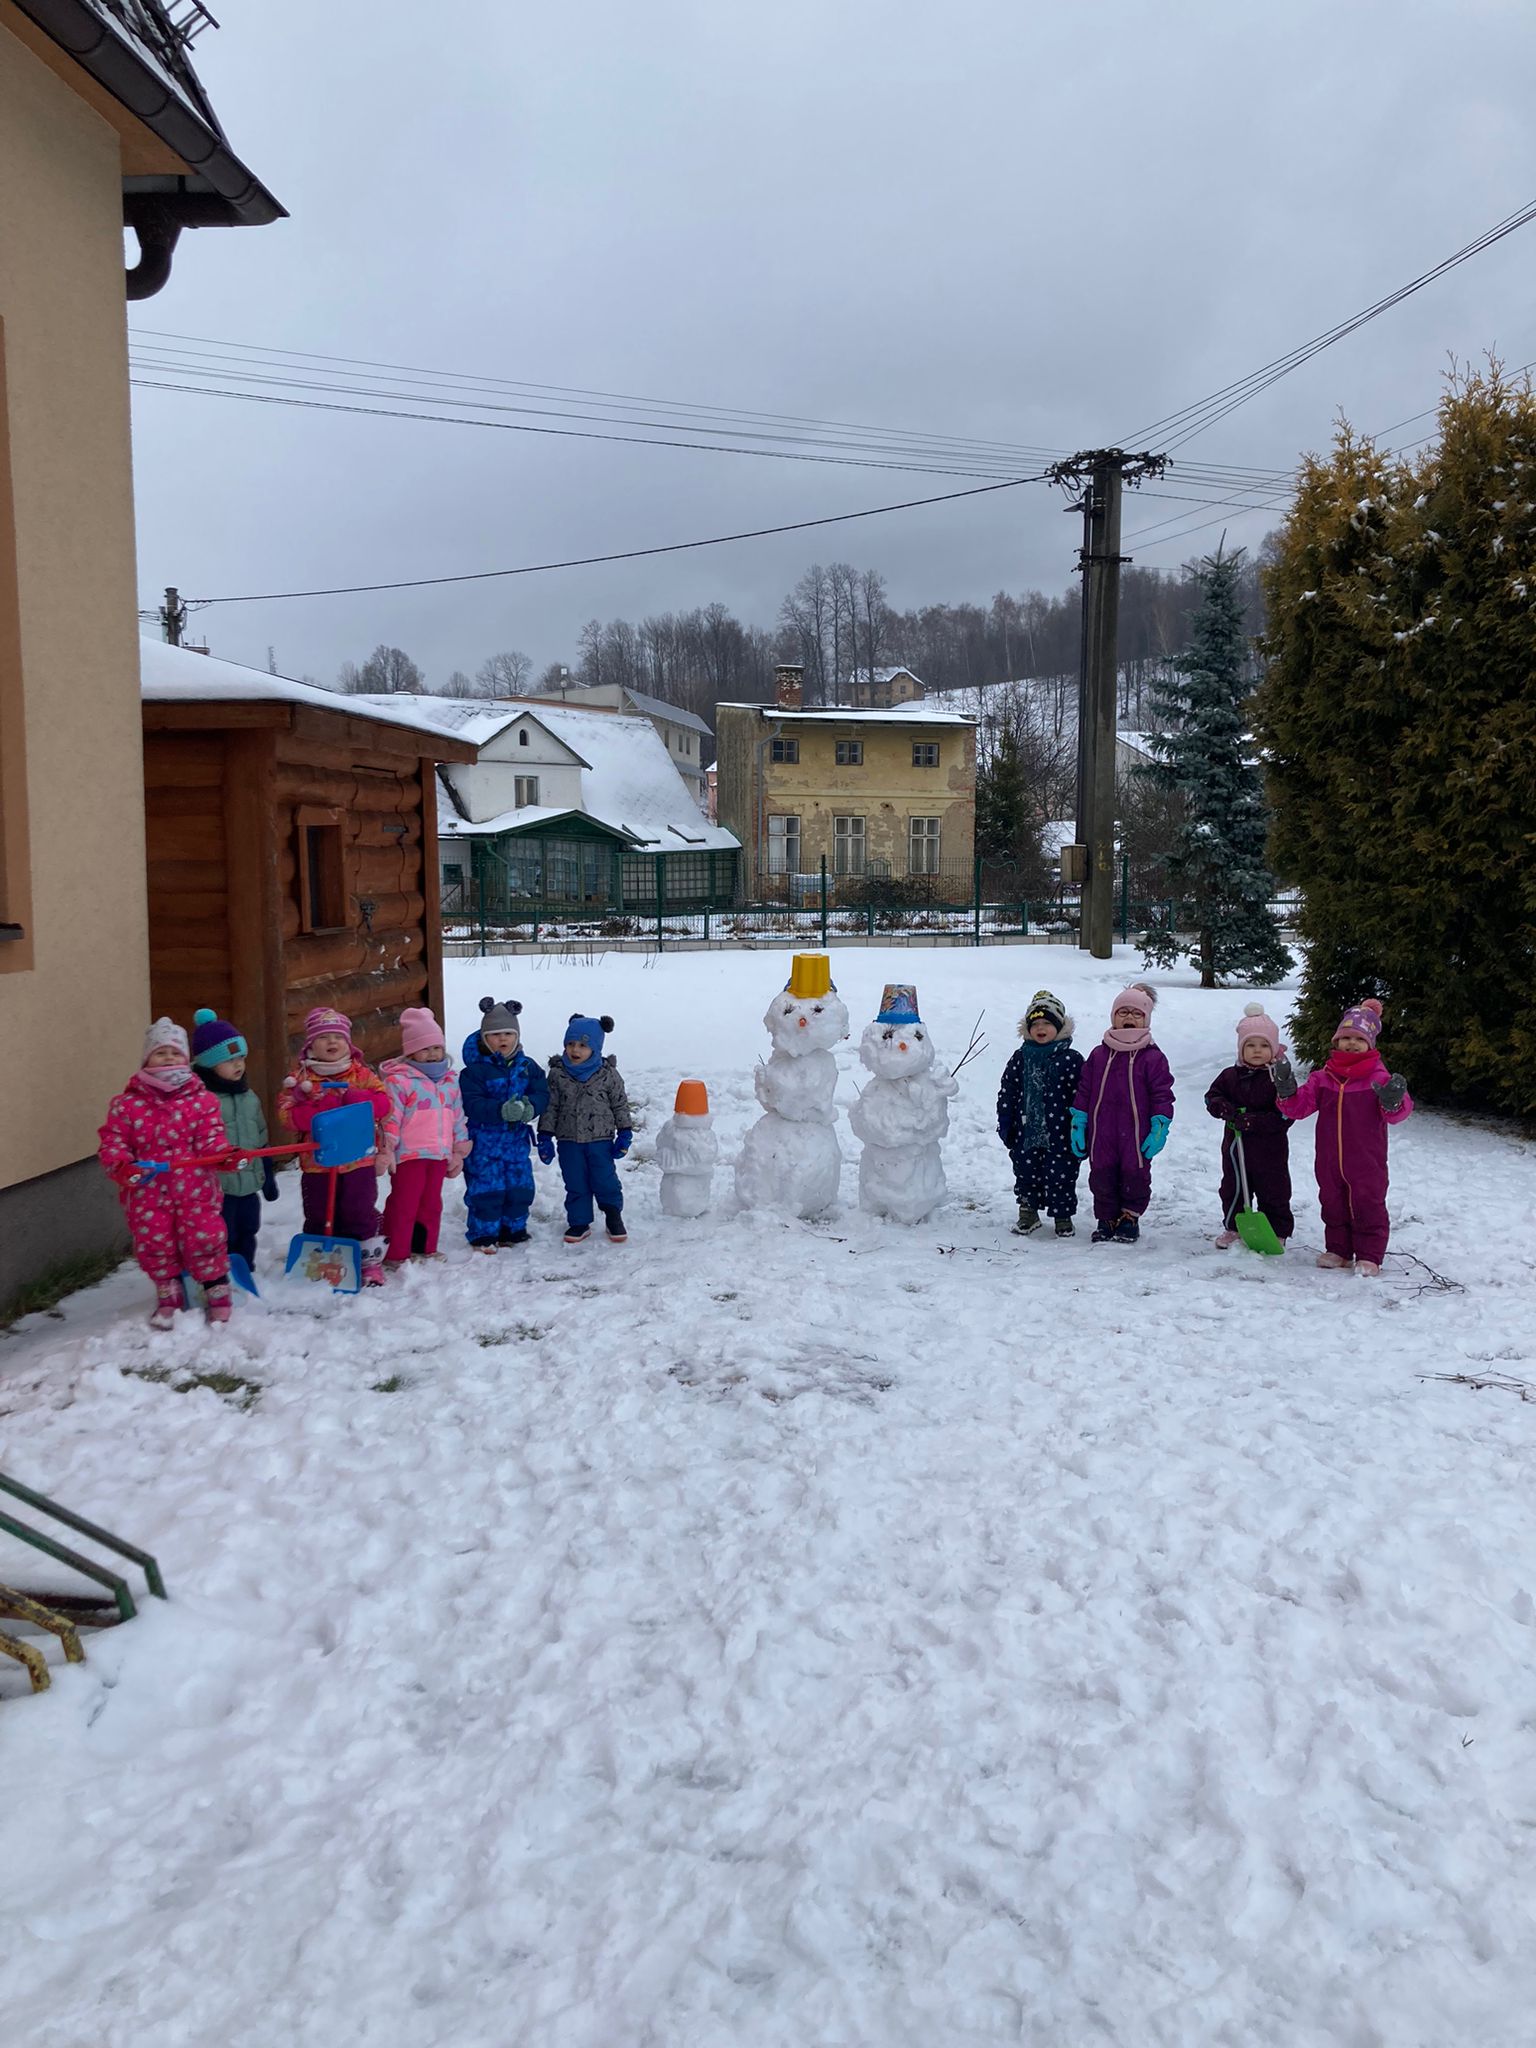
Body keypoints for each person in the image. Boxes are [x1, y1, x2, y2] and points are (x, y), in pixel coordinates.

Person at [98, 1018, 232, 1329]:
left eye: (175, 1052)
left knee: (205, 1237)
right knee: (155, 1243)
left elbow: (211, 1139)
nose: (169, 1058)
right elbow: (113, 1142)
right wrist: (123, 1166)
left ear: (186, 1059)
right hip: (148, 1192)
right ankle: (168, 1294)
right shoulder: (126, 1105)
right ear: (147, 1059)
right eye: (161, 1052)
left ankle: (217, 1290)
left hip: (196, 1190)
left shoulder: (203, 1101)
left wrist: (224, 1155)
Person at [1275, 996, 1412, 1276]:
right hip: (1329, 1159)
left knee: (1368, 1204)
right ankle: (1338, 1250)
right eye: (1346, 1037)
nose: (1352, 1043)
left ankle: (1369, 1255)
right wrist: (1287, 1091)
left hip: (1366, 1160)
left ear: (1370, 1044)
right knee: (1332, 1202)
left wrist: (1392, 1102)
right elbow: (1299, 1108)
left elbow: (1397, 1115)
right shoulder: (1323, 1077)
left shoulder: (1378, 1078)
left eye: (1359, 1039)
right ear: (1336, 1042)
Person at [276, 1007, 391, 1287]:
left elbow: (385, 1105)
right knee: (318, 1211)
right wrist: (318, 1112)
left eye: (338, 1037)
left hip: (358, 1161)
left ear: (348, 1044)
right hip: (317, 1163)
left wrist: (358, 1099)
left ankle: (367, 1260)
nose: (332, 1042)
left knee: (358, 1209)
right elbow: (285, 1115)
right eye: (323, 1037)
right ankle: (320, 1258)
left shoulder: (361, 1075)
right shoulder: (301, 1079)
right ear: (310, 1045)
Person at [1070, 982, 1175, 1244]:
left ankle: (1129, 1217)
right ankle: (1106, 1219)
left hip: (1136, 1133)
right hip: (1101, 1132)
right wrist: (1079, 1121)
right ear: (1113, 1017)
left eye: (1137, 1013)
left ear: (1146, 1019)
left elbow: (1162, 1093)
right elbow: (1084, 1089)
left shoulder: (1152, 1058)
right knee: (1101, 1174)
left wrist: (1160, 1124)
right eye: (1123, 1012)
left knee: (1135, 1173)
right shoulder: (1099, 1054)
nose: (1130, 1017)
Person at [378, 1008, 471, 1268]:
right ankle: (396, 1252)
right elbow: (390, 1120)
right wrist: (387, 1149)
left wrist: (458, 1149)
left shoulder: (450, 1081)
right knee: (404, 1204)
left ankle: (425, 1247)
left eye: (436, 1048)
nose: (432, 1054)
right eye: (425, 1048)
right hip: (409, 1155)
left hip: (439, 1154)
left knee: (431, 1204)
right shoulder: (400, 1082)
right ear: (411, 1052)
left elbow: (457, 1116)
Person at [191, 1006, 278, 1279]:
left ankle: (245, 1270)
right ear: (209, 1064)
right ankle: (220, 1273)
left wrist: (267, 1174)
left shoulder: (249, 1097)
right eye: (230, 1060)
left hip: (249, 1182)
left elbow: (260, 1137)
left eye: (241, 1057)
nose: (238, 1064)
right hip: (218, 1187)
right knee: (222, 1230)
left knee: (249, 1227)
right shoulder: (201, 1100)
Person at [459, 996, 549, 1252]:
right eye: (495, 1034)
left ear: (517, 1036)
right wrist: (500, 1110)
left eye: (508, 1033)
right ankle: (484, 1233)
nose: (502, 1039)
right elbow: (472, 1104)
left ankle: (513, 1228)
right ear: (484, 1038)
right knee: (487, 1188)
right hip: (484, 1144)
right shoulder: (474, 1071)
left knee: (520, 1186)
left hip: (516, 1141)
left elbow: (542, 1092)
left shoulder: (527, 1067)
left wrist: (531, 1106)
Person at [1204, 1003, 1294, 1248]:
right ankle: (1234, 1226)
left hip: (1270, 1148)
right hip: (1236, 1146)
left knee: (1273, 1189)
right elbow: (1211, 1096)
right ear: (1241, 1048)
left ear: (1273, 1048)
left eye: (1264, 1045)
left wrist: (1254, 1121)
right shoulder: (1230, 1076)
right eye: (1250, 1045)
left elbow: (1287, 1114)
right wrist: (1223, 1108)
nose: (1257, 1050)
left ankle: (1276, 1229)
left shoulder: (1279, 1078)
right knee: (1233, 1187)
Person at [538, 1013, 633, 1244]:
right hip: (568, 1140)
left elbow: (619, 1104)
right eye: (570, 1044)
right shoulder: (558, 1074)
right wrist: (545, 1136)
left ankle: (613, 1214)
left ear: (595, 1047)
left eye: (582, 1045)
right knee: (575, 1181)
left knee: (604, 1179)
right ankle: (579, 1222)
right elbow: (550, 1106)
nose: (575, 1050)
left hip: (600, 1139)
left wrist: (625, 1132)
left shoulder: (607, 1074)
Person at [995, 988, 1084, 1237]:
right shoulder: (1020, 1058)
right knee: (1026, 1171)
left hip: (1061, 1132)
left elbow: (1083, 1095)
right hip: (1026, 1130)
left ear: (1060, 1027)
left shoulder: (1071, 1059)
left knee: (1062, 1174)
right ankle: (1028, 1211)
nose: (1041, 1028)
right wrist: (1006, 1121)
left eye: (1047, 1023)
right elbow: (1008, 1090)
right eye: (1035, 1024)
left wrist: (1081, 1126)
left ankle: (1062, 1215)